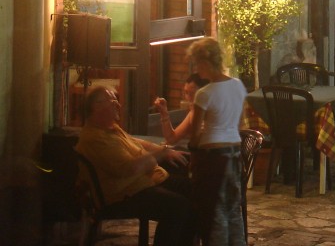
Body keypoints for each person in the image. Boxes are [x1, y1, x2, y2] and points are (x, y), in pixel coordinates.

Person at [75, 86, 195, 246]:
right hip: (126, 194)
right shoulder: (95, 138)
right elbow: (130, 168)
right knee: (178, 207)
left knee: (195, 191)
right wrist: (160, 155)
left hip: (144, 183)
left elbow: (138, 142)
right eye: (112, 102)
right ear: (96, 107)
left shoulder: (110, 129)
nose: (118, 105)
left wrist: (165, 151)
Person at [188, 36, 249, 246]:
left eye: (196, 64)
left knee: (214, 215)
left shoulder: (204, 94)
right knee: (233, 211)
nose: (196, 71)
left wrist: (192, 152)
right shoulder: (239, 86)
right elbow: (241, 123)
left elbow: (195, 134)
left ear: (204, 63)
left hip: (212, 159)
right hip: (234, 154)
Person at [153, 73, 210, 146]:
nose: (188, 98)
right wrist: (164, 113)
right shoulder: (193, 113)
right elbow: (172, 138)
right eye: (186, 93)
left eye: (192, 94)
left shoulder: (215, 110)